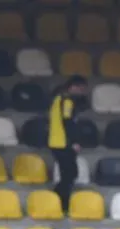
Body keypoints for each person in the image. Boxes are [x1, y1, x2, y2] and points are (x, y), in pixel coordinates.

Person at [48, 75, 88, 214]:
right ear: (73, 87)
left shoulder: (58, 99)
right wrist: (74, 142)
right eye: (81, 89)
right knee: (69, 174)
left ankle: (58, 200)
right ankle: (60, 202)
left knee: (70, 173)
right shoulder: (67, 101)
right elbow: (68, 122)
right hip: (63, 143)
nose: (82, 92)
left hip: (56, 142)